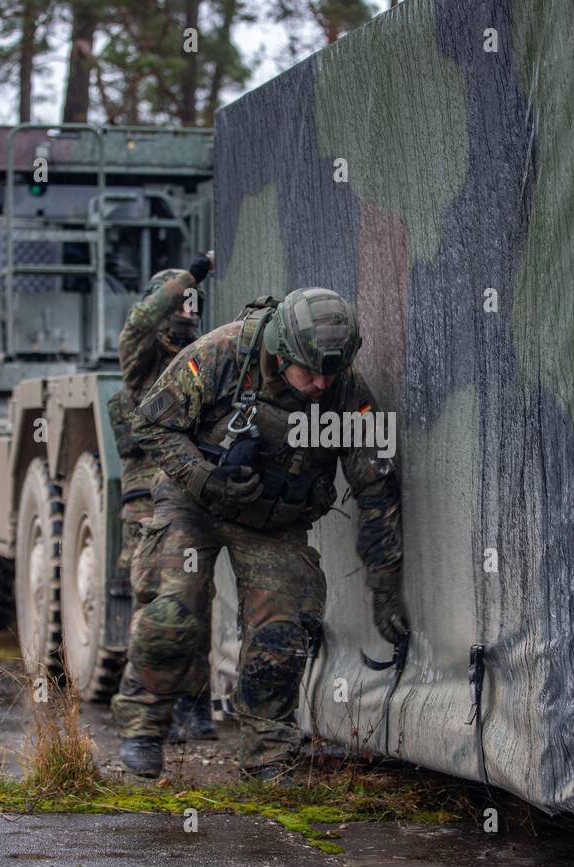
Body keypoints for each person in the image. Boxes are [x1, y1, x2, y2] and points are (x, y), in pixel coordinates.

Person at [114, 286, 409, 782]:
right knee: (174, 609)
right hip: (195, 503)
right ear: (281, 352)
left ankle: (266, 753)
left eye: (328, 373)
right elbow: (151, 425)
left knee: (282, 630)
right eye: (308, 371)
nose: (318, 383)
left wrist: (385, 586)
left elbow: (376, 489)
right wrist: (203, 476)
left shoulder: (346, 393)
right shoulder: (222, 354)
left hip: (274, 521)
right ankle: (144, 725)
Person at [107, 253, 218, 744]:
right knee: (153, 604)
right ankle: (154, 706)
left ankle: (193, 706)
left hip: (187, 497)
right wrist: (192, 271)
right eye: (179, 304)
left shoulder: (203, 358)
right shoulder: (141, 357)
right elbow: (141, 320)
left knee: (196, 601)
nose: (185, 315)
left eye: (193, 307)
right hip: (145, 502)